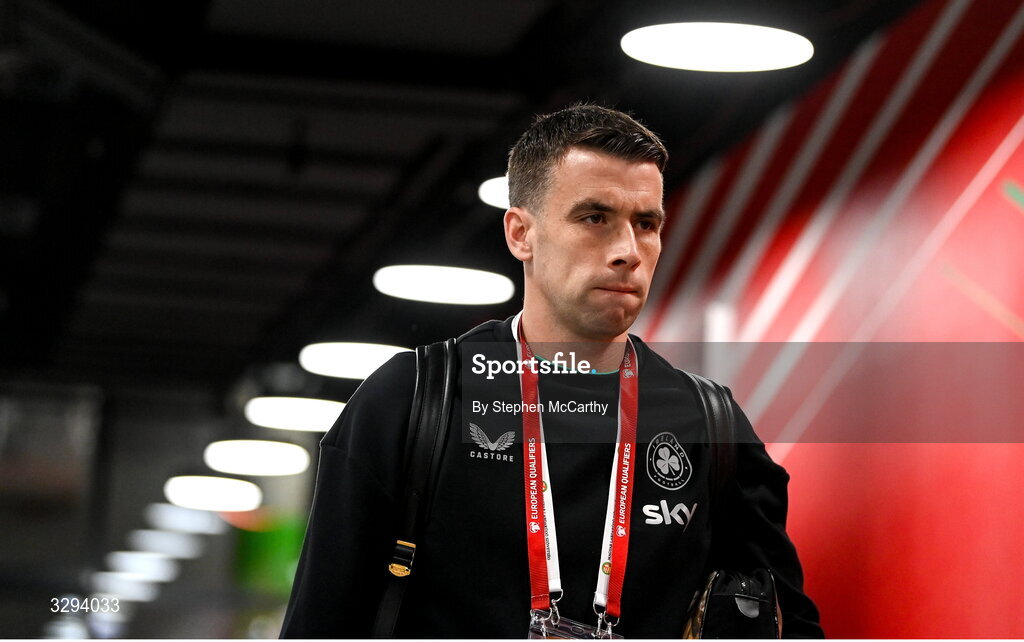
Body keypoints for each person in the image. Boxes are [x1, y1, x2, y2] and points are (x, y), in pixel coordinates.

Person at [280, 104, 823, 638]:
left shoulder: (711, 427)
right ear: (521, 234)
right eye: (595, 218)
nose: (627, 251)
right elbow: (321, 623)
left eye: (646, 223)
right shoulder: (414, 399)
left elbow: (788, 624)